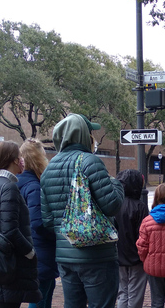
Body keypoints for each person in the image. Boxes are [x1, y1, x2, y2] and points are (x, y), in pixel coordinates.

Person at [40, 113, 124, 308]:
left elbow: (47, 221)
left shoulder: (48, 169)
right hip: (97, 256)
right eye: (90, 132)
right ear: (83, 135)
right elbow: (113, 205)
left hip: (66, 257)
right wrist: (117, 184)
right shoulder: (90, 161)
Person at [0, 141, 42, 308]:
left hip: (1, 257)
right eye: (20, 157)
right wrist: (30, 252)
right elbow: (10, 230)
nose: (22, 160)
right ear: (13, 160)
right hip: (11, 262)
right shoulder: (8, 187)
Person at [17, 138, 59, 308]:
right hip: (41, 251)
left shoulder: (19, 182)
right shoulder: (34, 186)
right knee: (41, 296)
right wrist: (57, 231)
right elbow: (39, 223)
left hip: (31, 251)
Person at [114, 169, 149, 308]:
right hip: (136, 258)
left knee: (122, 292)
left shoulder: (115, 204)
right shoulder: (140, 206)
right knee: (135, 292)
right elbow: (144, 235)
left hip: (118, 255)